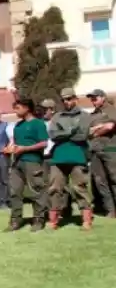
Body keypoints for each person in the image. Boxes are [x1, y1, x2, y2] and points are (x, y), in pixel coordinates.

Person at [48, 87, 93, 230]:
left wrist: (63, 132)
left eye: (69, 99)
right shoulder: (57, 117)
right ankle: (53, 221)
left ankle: (86, 220)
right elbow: (53, 135)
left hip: (78, 155)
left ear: (75, 98)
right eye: (63, 100)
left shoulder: (85, 116)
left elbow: (82, 135)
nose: (66, 102)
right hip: (58, 157)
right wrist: (71, 130)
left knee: (80, 187)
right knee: (55, 188)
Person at [5, 98, 49, 232]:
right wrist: (8, 149)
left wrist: (25, 148)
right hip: (17, 162)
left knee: (36, 190)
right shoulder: (18, 126)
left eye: (18, 108)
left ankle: (38, 220)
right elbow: (14, 143)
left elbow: (44, 143)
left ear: (27, 108)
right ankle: (15, 220)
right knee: (14, 191)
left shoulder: (38, 124)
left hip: (33, 161)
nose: (15, 111)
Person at [86, 89, 116, 217]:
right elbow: (87, 131)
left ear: (103, 97)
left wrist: (96, 131)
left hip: (110, 149)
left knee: (114, 178)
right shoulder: (91, 115)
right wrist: (99, 127)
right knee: (100, 180)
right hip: (95, 151)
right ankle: (110, 210)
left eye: (95, 98)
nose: (93, 100)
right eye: (91, 98)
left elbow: (110, 126)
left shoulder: (111, 110)